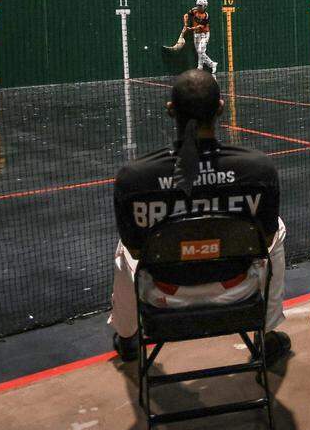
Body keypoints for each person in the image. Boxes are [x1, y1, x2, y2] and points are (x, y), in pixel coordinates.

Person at [109, 70, 289, 363]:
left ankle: (128, 338)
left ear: (170, 110)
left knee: (123, 249)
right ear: (220, 107)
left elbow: (135, 249)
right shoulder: (258, 170)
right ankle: (266, 336)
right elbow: (266, 237)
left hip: (164, 295)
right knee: (277, 230)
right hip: (236, 289)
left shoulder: (134, 179)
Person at [183, 0, 217, 74]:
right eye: (197, 5)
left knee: (200, 51)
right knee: (199, 52)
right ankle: (202, 67)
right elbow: (186, 15)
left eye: (200, 6)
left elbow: (201, 26)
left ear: (205, 6)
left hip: (204, 34)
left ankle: (210, 65)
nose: (198, 7)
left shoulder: (206, 15)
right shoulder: (194, 10)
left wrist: (191, 28)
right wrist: (185, 23)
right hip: (196, 34)